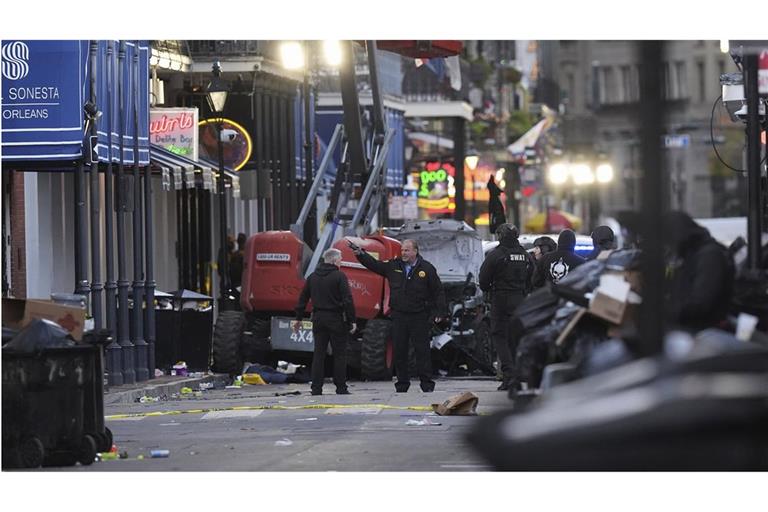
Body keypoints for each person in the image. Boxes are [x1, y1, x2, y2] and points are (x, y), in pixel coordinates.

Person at [350, 239, 447, 393]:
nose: (403, 253)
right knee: (399, 351)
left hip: (419, 316)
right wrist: (361, 254)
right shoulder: (394, 266)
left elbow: (438, 291)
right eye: (402, 250)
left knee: (422, 351)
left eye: (407, 250)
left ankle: (426, 384)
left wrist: (439, 312)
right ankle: (402, 384)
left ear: (415, 251)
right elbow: (375, 265)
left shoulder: (427, 269)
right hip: (399, 316)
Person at [479, 224, 535, 390]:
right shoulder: (525, 255)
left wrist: (491, 290)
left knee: (500, 337)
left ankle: (509, 375)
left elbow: (483, 280)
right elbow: (533, 277)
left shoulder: (496, 255)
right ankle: (517, 375)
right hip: (520, 299)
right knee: (515, 338)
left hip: (501, 300)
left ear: (500, 236)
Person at [294, 248, 357, 395]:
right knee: (340, 354)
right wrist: (352, 320)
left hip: (318, 319)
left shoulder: (312, 277)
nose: (341, 261)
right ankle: (341, 387)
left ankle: (316, 388)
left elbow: (302, 299)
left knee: (319, 354)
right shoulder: (339, 276)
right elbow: (347, 300)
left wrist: (298, 318)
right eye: (340, 259)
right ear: (334, 260)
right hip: (336, 319)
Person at [662, 211, 735, 331]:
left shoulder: (709, 256)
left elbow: (700, 304)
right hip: (690, 326)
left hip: (704, 329)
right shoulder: (690, 254)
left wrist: (665, 312)